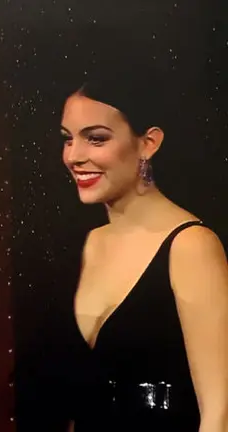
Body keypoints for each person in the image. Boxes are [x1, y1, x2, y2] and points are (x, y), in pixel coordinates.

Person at [47, 67, 228, 431]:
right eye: (68, 139)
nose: (74, 156)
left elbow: (219, 414)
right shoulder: (88, 244)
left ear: (148, 143)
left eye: (96, 139)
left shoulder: (191, 246)